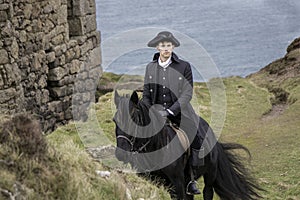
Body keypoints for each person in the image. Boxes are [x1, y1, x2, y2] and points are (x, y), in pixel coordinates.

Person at [142, 31, 204, 195]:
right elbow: (146, 94)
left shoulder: (184, 66)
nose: (166, 48)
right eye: (163, 46)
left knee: (195, 136)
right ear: (157, 47)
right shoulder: (150, 67)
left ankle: (191, 180)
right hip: (155, 114)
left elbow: (187, 93)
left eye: (169, 45)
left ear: (173, 47)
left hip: (179, 112)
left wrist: (171, 110)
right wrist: (150, 112)